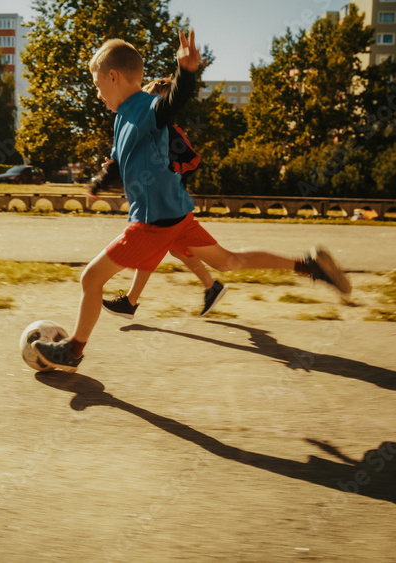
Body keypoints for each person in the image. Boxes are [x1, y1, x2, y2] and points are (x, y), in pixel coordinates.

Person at [33, 30, 350, 373]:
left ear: (114, 77)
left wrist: (186, 73)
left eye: (98, 85)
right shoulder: (121, 118)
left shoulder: (144, 108)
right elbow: (115, 162)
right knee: (229, 262)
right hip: (177, 218)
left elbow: (172, 104)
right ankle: (310, 265)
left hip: (153, 222)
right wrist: (98, 182)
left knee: (90, 280)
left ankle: (73, 351)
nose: (97, 93)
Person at [94, 77, 226, 319]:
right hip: (160, 207)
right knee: (172, 250)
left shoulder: (173, 133)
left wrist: (169, 169)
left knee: (155, 250)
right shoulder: (143, 130)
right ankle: (210, 287)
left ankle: (131, 302)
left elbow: (193, 161)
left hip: (170, 205)